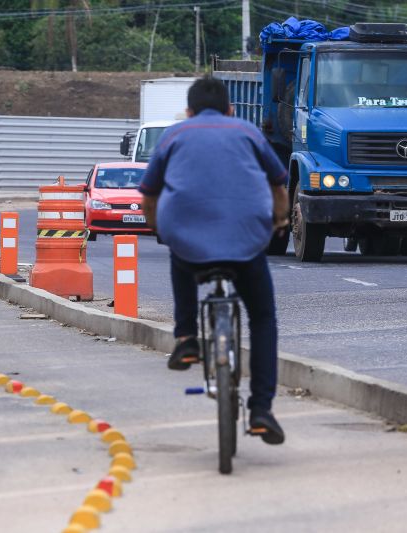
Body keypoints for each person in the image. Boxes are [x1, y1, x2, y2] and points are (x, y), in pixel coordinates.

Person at [139, 76, 289, 445]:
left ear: (188, 112)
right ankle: (261, 410)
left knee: (179, 253)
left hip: (188, 240)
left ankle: (188, 337)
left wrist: (161, 227)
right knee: (263, 317)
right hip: (247, 241)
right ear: (231, 109)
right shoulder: (249, 132)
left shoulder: (174, 135)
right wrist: (279, 221)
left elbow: (149, 195)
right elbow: (279, 186)